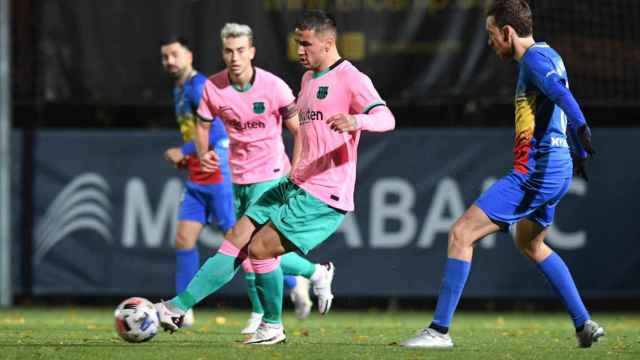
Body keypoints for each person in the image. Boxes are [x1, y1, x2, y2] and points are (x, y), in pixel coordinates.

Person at [155, 11, 395, 344]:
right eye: (298, 43)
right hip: (296, 182)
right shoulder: (309, 79)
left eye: (306, 44)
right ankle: (177, 307)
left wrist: (358, 122)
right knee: (238, 236)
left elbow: (386, 117)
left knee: (261, 249)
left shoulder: (351, 78)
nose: (300, 51)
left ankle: (272, 325)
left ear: (328, 43)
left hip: (325, 192)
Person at [400, 0, 603, 349]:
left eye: (491, 35)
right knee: (531, 243)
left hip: (536, 171)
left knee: (461, 233)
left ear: (508, 32)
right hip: (558, 166)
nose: (490, 43)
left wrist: (583, 129)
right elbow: (556, 102)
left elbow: (561, 94)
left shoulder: (534, 60)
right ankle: (584, 324)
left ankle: (439, 331)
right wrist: (579, 150)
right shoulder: (550, 55)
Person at [160, 36, 236, 328]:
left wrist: (185, 150)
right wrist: (187, 158)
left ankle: (303, 276)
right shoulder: (178, 90)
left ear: (189, 56)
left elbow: (217, 135)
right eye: (165, 57)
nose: (170, 61)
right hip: (197, 175)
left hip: (216, 172)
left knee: (241, 242)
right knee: (183, 239)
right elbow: (196, 133)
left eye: (175, 55)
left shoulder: (199, 86)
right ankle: (181, 307)